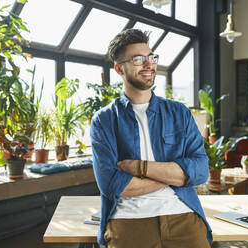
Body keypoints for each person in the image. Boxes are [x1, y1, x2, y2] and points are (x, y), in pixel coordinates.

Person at [90, 29, 212, 248]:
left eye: (151, 57)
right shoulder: (104, 120)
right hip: (128, 220)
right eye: (138, 59)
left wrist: (140, 167)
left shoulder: (179, 113)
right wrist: (175, 175)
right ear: (120, 69)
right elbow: (111, 185)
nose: (148, 64)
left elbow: (201, 170)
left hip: (183, 214)